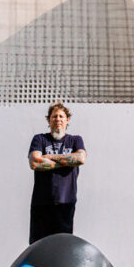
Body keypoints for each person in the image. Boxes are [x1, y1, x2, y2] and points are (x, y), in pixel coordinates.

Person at [27, 102, 86, 244]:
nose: (58, 119)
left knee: (62, 246)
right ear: (49, 120)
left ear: (67, 119)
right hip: (41, 203)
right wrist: (66, 161)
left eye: (61, 116)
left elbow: (80, 159)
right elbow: (35, 162)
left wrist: (50, 157)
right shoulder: (40, 139)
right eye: (54, 116)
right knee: (39, 245)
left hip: (66, 201)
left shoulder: (75, 140)